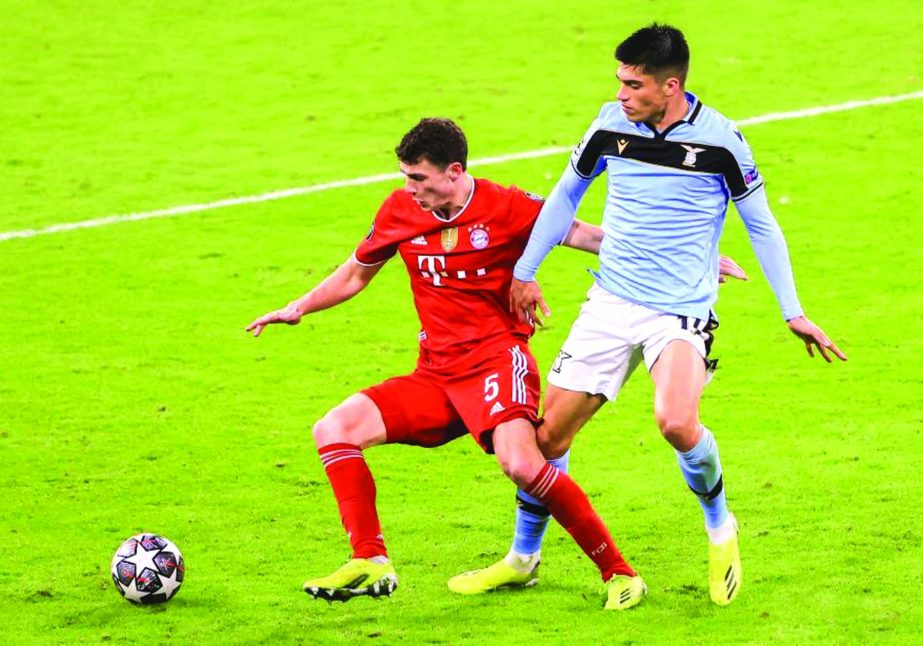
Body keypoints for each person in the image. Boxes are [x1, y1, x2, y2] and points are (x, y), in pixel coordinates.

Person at [448, 23, 847, 607]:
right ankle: (523, 559)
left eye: (633, 84)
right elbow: (565, 196)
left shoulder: (722, 142)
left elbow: (761, 224)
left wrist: (793, 311)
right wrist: (526, 271)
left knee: (676, 423)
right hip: (610, 301)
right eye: (619, 81)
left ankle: (719, 525)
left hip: (679, 312)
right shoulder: (610, 124)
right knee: (547, 438)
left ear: (671, 85)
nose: (621, 94)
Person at [247, 117, 649, 610]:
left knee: (522, 463)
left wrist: (680, 263)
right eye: (405, 176)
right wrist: (299, 307)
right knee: (334, 429)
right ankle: (371, 558)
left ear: (454, 171)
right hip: (435, 374)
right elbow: (355, 274)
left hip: (497, 364)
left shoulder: (506, 206)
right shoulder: (400, 210)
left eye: (418, 178)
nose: (409, 189)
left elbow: (587, 236)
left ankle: (620, 573)